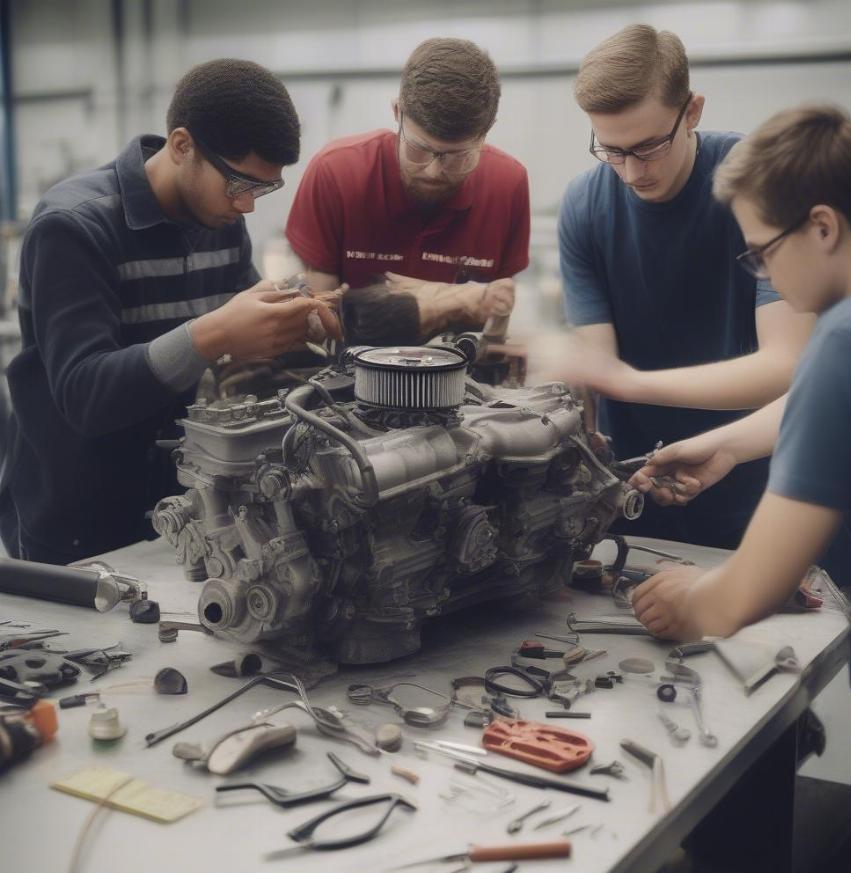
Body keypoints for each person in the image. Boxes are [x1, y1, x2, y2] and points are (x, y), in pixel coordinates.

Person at [630, 105, 851, 873]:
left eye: (760, 254)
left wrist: (683, 596)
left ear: (822, 226)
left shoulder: (846, 338)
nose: (764, 275)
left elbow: (742, 596)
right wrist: (731, 446)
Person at [0, 58, 339, 565]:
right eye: (240, 184)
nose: (247, 206)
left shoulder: (219, 220)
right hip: (77, 516)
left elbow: (242, 321)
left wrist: (294, 319)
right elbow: (85, 395)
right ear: (182, 146)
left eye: (262, 189)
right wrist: (211, 335)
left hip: (176, 501)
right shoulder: (72, 227)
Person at [539, 24, 812, 550]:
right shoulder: (584, 205)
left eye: (648, 147)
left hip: (755, 481)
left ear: (692, 111)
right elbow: (599, 368)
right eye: (611, 150)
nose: (631, 172)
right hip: (638, 484)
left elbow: (787, 367)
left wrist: (627, 382)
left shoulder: (756, 181)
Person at [284, 37, 529, 341]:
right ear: (398, 112)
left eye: (458, 157)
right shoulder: (336, 173)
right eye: (419, 150)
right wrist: (446, 300)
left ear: (487, 129)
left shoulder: (508, 185)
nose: (434, 171)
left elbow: (496, 323)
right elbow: (319, 324)